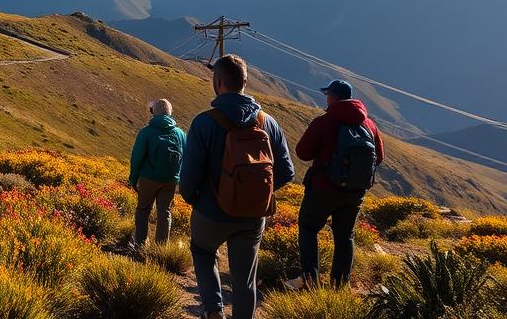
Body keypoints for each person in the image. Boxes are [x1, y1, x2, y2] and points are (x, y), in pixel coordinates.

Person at [179, 55, 294, 319]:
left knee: (203, 251)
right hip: (253, 218)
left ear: (217, 82)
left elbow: (189, 179)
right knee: (245, 278)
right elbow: (287, 172)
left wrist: (198, 200)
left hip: (211, 212)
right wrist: (257, 195)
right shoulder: (269, 123)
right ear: (245, 81)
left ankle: (213, 310)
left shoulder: (204, 122)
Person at [295, 79, 384, 287]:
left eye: (328, 95)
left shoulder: (323, 122)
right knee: (345, 236)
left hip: (323, 189)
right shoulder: (369, 125)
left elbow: (302, 152)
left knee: (308, 228)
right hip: (355, 192)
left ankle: (310, 282)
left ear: (333, 97)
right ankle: (339, 286)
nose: (326, 98)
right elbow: (379, 157)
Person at [128, 98, 186, 250]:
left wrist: (133, 179)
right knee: (165, 212)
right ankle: (160, 249)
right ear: (169, 113)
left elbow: (137, 157)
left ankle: (140, 246)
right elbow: (187, 158)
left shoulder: (146, 132)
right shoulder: (180, 134)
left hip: (149, 179)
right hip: (171, 180)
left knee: (142, 210)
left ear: (154, 113)